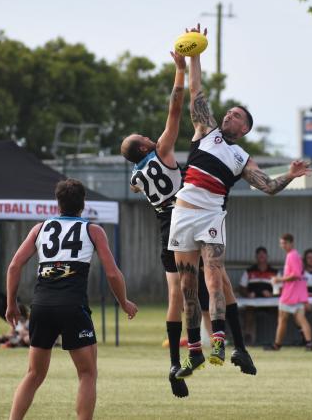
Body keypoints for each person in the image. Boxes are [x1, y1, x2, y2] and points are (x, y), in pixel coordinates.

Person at [169, 24, 311, 379]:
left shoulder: (240, 157)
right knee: (187, 286)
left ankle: (219, 340)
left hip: (211, 216)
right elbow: (197, 93)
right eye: (229, 112)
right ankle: (195, 350)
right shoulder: (206, 131)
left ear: (244, 129)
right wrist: (195, 55)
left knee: (214, 280)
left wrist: (290, 176)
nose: (229, 116)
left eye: (236, 116)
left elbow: (267, 186)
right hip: (183, 212)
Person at [121, 46, 256, 388]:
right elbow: (178, 105)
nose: (152, 138)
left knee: (178, 295)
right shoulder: (164, 152)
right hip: (188, 211)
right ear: (145, 148)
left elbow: (143, 188)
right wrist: (181, 70)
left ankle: (176, 362)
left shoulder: (135, 178)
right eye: (146, 139)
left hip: (166, 224)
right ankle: (234, 344)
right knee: (219, 281)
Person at [5, 178, 137, 420]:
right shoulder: (93, 230)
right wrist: (123, 301)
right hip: (72, 307)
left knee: (34, 374)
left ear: (58, 203)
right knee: (87, 373)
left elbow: (14, 266)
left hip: (41, 306)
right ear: (83, 204)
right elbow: (111, 272)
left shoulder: (39, 229)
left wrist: (11, 303)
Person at [265, 234, 312, 351]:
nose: (282, 245)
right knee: (300, 319)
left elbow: (295, 275)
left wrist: (279, 280)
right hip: (297, 294)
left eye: (284, 243)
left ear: (291, 243)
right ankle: (309, 344)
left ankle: (277, 345)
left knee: (283, 319)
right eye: (281, 243)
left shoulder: (292, 255)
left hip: (290, 294)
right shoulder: (294, 255)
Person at [238, 246, 277, 344]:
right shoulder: (249, 271)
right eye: (259, 255)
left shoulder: (274, 272)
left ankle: (276, 338)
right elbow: (241, 287)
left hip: (270, 302)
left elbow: (281, 290)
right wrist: (247, 294)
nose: (262, 257)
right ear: (256, 257)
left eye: (263, 255)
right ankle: (248, 337)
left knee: (280, 312)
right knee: (248, 311)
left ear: (267, 257)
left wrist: (272, 294)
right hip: (253, 301)